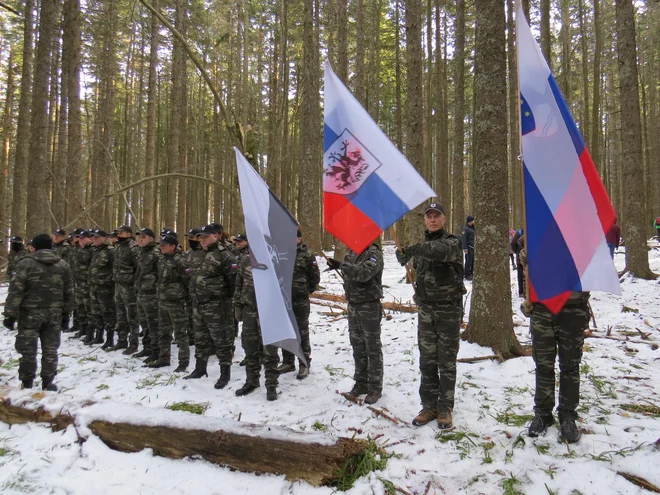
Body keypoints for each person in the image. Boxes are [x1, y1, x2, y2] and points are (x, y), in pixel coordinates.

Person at [396, 203, 465, 428]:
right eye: (429, 217)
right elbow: (419, 272)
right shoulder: (423, 248)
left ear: (444, 220)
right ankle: (429, 406)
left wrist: (412, 249)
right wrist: (403, 257)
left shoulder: (452, 243)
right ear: (425, 221)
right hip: (426, 312)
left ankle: (445, 408)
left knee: (446, 362)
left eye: (437, 216)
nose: (433, 220)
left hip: (448, 311)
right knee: (427, 361)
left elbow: (438, 251)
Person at [520, 250, 589, 444]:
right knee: (543, 365)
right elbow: (530, 273)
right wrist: (526, 259)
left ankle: (567, 416)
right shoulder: (539, 239)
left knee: (569, 366)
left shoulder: (580, 240)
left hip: (573, 310)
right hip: (542, 311)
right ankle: (543, 414)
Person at [3, 234, 74, 391]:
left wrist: (10, 314)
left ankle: (27, 382)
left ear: (34, 247)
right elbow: (69, 291)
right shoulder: (62, 265)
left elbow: (16, 290)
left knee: (28, 349)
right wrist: (66, 314)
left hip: (30, 314)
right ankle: (48, 382)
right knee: (50, 349)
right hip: (54, 313)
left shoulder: (25, 264)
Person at [327, 241, 384, 405]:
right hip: (353, 305)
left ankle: (375, 387)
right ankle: (361, 383)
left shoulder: (374, 254)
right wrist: (337, 267)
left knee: (372, 348)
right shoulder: (351, 252)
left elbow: (364, 273)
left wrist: (342, 266)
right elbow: (349, 274)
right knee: (358, 347)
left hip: (369, 306)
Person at [184, 225, 238, 388]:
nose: (202, 240)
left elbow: (233, 282)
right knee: (200, 338)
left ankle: (224, 373)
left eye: (205, 237)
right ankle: (200, 368)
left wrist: (222, 299)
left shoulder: (225, 256)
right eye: (200, 237)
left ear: (215, 236)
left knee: (221, 340)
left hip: (217, 305)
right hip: (198, 304)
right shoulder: (195, 255)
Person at [233, 237, 280, 400]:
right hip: (249, 311)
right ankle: (252, 381)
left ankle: (271, 384)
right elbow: (238, 284)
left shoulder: (276, 259)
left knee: (270, 350)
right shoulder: (246, 260)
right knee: (250, 347)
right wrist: (237, 306)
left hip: (269, 311)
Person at [276, 229, 320, 379]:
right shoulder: (281, 254)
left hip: (300, 300)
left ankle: (304, 363)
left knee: (301, 332)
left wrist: (304, 291)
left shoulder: (307, 255)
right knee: (285, 331)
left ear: (299, 239)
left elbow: (315, 279)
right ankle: (288, 361)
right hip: (284, 299)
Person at [149, 235, 191, 372]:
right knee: (164, 331)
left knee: (180, 333)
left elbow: (187, 281)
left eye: (163, 245)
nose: (161, 248)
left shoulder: (181, 261)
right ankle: (164, 358)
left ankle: (183, 362)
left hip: (176, 302)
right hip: (162, 300)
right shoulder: (161, 260)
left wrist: (181, 295)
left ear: (172, 246)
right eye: (160, 245)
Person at [134, 228, 162, 362]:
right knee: (144, 323)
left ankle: (156, 350)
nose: (141, 239)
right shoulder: (141, 253)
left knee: (153, 324)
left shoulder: (156, 253)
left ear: (151, 238)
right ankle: (147, 347)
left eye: (144, 237)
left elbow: (161, 274)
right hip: (141, 292)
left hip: (152, 294)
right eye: (140, 237)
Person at [112, 225, 141, 353]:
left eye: (122, 233)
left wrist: (134, 282)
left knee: (132, 316)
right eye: (118, 233)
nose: (119, 235)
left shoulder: (133, 248)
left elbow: (139, 267)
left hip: (129, 286)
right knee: (120, 315)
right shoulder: (118, 247)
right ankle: (121, 340)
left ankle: (133, 343)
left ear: (129, 234)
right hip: (118, 284)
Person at [88, 229, 116, 348]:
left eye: (97, 237)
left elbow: (115, 268)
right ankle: (99, 336)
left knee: (107, 313)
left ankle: (109, 338)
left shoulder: (111, 251)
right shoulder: (96, 250)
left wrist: (109, 281)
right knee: (96, 312)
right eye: (93, 238)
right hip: (94, 286)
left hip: (105, 287)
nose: (95, 240)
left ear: (105, 238)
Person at [73, 230, 96, 343]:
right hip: (78, 283)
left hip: (87, 284)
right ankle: (82, 328)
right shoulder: (78, 250)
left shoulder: (93, 250)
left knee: (89, 309)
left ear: (89, 239)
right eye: (80, 239)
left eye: (83, 238)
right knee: (80, 307)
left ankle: (90, 332)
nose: (80, 241)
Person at [184, 228, 205, 346]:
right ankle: (193, 337)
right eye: (188, 237)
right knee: (191, 316)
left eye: (191, 237)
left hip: (205, 294)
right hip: (191, 291)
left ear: (198, 237)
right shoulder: (190, 253)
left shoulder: (206, 252)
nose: (189, 240)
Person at [511, 229, 525, 297]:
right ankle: (524, 292)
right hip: (524, 256)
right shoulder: (521, 232)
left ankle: (521, 292)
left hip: (519, 255)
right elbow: (513, 243)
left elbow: (513, 243)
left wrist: (517, 251)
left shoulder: (519, 232)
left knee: (520, 275)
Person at [462, 216, 475, 280]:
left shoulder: (473, 228)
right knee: (468, 261)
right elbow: (464, 239)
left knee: (473, 261)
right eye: (473, 220)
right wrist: (465, 248)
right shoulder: (466, 229)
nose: (474, 221)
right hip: (469, 247)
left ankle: (471, 273)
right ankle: (467, 274)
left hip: (473, 247)